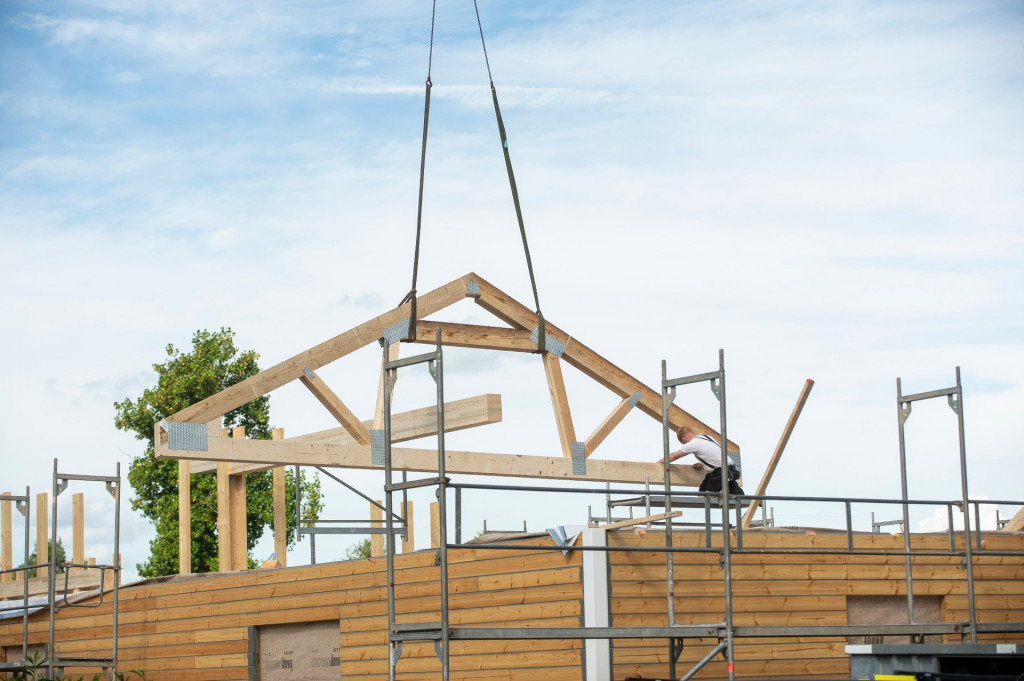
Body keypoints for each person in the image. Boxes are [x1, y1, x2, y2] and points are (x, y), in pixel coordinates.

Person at [658, 426, 743, 495]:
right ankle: (729, 487)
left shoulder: (692, 444)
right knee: (701, 494)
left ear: (684, 439)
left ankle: (728, 489)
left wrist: (658, 463)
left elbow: (673, 456)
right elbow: (714, 455)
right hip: (730, 468)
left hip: (720, 471)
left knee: (709, 497)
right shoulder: (708, 438)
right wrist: (703, 465)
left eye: (684, 443)